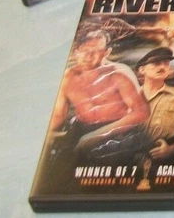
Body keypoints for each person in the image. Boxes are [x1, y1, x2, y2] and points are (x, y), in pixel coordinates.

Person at [45, 29, 149, 164]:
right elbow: (59, 114)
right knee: (56, 160)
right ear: (76, 52)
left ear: (106, 52)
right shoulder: (68, 76)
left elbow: (141, 112)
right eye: (85, 50)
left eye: (96, 51)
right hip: (81, 128)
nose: (89, 56)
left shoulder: (119, 74)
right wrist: (48, 134)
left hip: (117, 130)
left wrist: (96, 136)